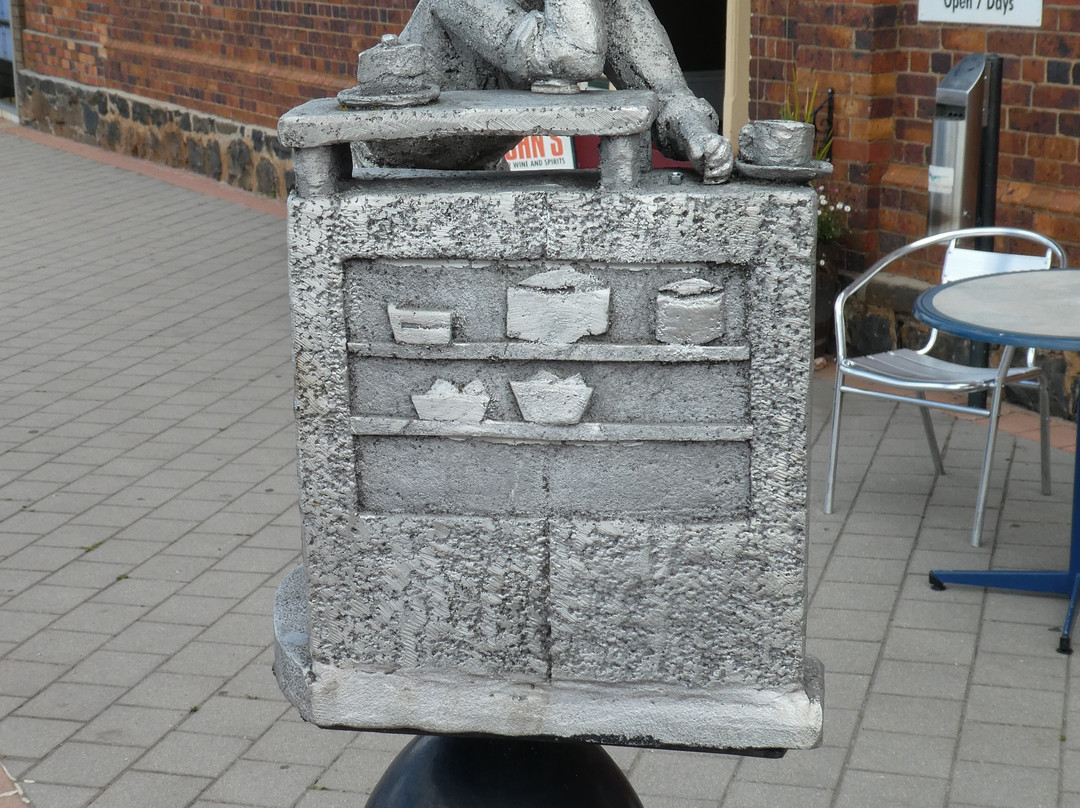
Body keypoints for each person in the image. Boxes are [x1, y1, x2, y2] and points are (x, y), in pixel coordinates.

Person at [366, 0, 732, 182]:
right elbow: (569, 56)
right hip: (384, 177)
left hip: (483, 175)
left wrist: (694, 133)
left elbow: (665, 87)